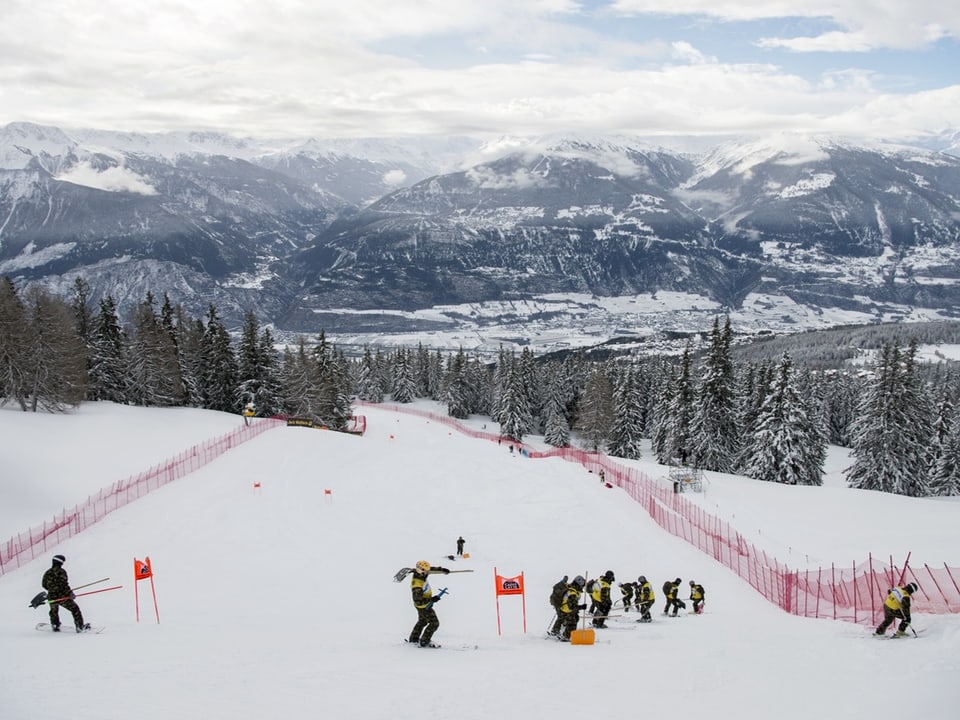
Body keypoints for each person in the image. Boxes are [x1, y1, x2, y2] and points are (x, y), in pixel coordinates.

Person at [408, 560, 451, 648]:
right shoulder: (417, 584)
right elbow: (418, 601)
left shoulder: (421, 573)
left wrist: (442, 570)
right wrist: (432, 599)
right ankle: (424, 641)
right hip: (423, 606)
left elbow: (430, 569)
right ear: (420, 570)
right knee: (434, 623)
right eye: (426, 571)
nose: (427, 572)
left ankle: (414, 639)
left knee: (422, 621)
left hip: (423, 605)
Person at [41, 554, 89, 633]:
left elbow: (44, 585)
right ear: (60, 563)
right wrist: (70, 593)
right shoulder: (61, 572)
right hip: (62, 597)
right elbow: (64, 585)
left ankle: (55, 625)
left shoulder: (47, 572)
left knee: (54, 611)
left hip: (51, 597)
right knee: (75, 609)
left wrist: (52, 589)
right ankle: (80, 627)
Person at [557, 575, 587, 642]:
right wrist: (581, 607)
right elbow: (572, 607)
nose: (583, 587)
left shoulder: (571, 588)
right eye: (582, 585)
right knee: (572, 623)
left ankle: (561, 629)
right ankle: (565, 636)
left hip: (563, 609)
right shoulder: (572, 593)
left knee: (576, 617)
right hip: (566, 611)